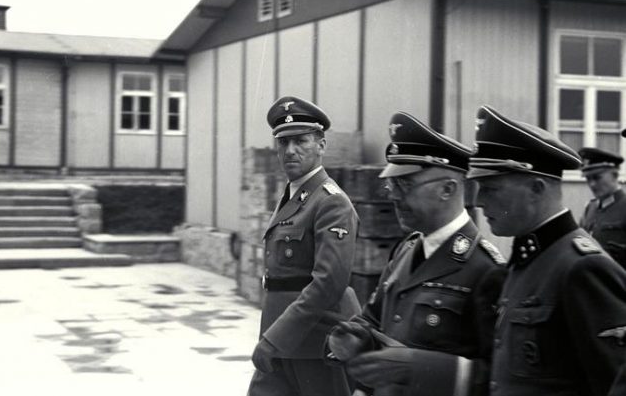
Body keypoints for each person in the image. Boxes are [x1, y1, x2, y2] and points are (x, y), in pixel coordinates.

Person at [326, 111, 507, 396]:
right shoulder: (407, 250)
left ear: (447, 190)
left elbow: (500, 378)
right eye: (392, 184)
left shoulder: (486, 269)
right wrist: (353, 338)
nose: (393, 195)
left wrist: (418, 366)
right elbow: (374, 319)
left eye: (405, 185)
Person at [468, 105, 626, 395]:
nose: (479, 201)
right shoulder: (529, 259)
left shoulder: (583, 268)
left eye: (491, 188)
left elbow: (613, 381)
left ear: (537, 188)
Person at [247, 95, 361, 396]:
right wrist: (273, 337)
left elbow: (328, 284)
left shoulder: (331, 202)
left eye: (300, 141)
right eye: (283, 143)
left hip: (317, 342)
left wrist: (275, 339)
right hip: (281, 338)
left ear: (321, 145)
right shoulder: (293, 197)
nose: (290, 150)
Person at [578, 147, 626, 268]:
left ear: (614, 175)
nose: (592, 184)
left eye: (597, 177)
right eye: (588, 179)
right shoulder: (590, 207)